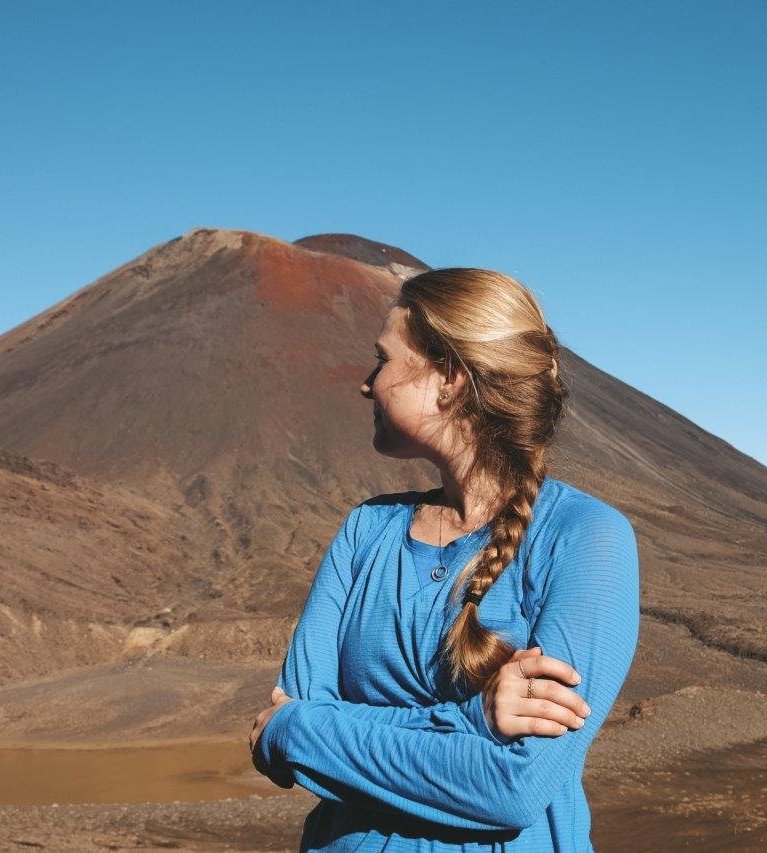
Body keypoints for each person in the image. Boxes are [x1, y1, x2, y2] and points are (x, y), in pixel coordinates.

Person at [248, 268, 641, 852]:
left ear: (451, 379)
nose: (366, 384)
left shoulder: (585, 537)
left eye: (382, 359)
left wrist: (302, 729)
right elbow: (285, 731)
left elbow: (514, 782)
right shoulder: (366, 531)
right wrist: (475, 721)